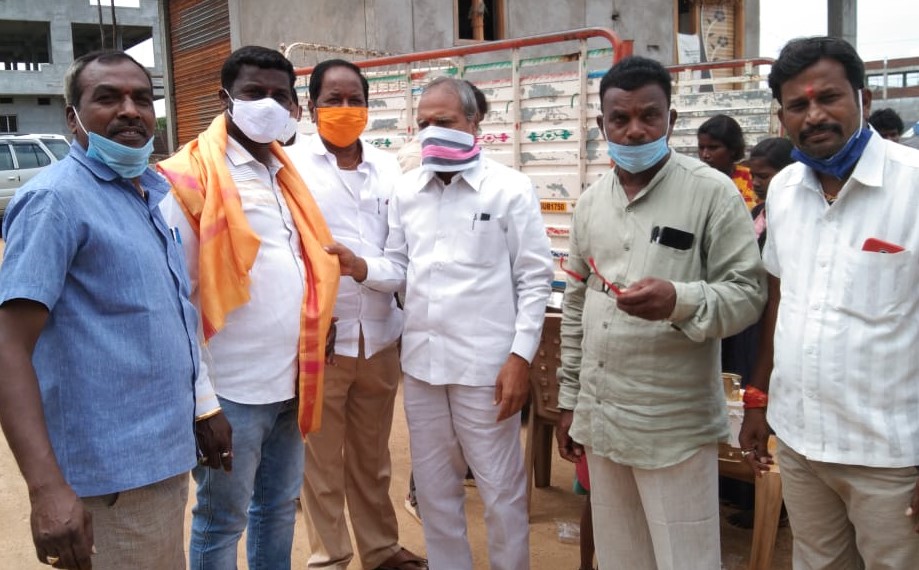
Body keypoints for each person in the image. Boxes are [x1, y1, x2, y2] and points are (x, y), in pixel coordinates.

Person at [328, 76, 554, 570]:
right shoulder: (408, 190)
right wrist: (360, 267)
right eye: (424, 123)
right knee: (434, 491)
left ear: (474, 123)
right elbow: (397, 266)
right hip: (423, 368)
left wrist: (520, 358)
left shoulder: (510, 189)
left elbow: (535, 279)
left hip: (486, 370)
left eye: (445, 121)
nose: (432, 132)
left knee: (500, 489)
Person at [0, 51, 211, 570]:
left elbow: (162, 319)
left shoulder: (146, 193)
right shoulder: (56, 201)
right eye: (108, 98)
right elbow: (8, 345)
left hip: (158, 460)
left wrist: (202, 409)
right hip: (108, 481)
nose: (130, 110)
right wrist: (46, 489)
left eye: (142, 98)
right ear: (72, 118)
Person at [555, 56, 767, 570]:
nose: (634, 131)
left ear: (670, 120)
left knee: (685, 557)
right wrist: (569, 401)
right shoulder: (590, 204)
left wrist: (680, 300)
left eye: (649, 116)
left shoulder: (712, 193)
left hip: (673, 427)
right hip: (603, 421)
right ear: (602, 124)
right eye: (620, 118)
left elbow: (747, 295)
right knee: (621, 556)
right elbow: (577, 303)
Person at [739, 36, 919, 568]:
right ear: (782, 118)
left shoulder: (912, 187)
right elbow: (780, 300)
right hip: (801, 442)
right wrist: (758, 398)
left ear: (863, 99)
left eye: (830, 98)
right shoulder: (785, 190)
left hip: (889, 455)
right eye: (798, 105)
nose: (814, 115)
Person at [158, 45, 340, 569]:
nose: (268, 104)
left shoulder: (284, 173)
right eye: (254, 92)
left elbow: (300, 263)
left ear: (295, 107)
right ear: (225, 98)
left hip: (291, 381)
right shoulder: (191, 178)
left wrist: (318, 320)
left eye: (280, 96)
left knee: (278, 509)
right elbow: (177, 300)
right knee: (221, 520)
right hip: (230, 392)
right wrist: (203, 404)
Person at [283, 58, 426, 570]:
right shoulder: (289, 166)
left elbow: (401, 256)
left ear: (367, 106)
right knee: (320, 463)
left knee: (373, 457)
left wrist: (363, 267)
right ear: (311, 108)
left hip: (379, 336)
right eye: (333, 100)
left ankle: (381, 550)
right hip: (320, 339)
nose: (345, 109)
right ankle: (329, 558)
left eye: (355, 100)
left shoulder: (389, 169)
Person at [697, 113, 759, 210]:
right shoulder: (693, 181)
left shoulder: (751, 180)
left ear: (732, 149)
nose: (705, 155)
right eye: (701, 147)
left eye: (713, 148)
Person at [747, 137, 794, 249]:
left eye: (763, 176)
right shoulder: (757, 212)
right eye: (753, 175)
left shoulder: (795, 217)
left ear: (787, 173)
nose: (755, 182)